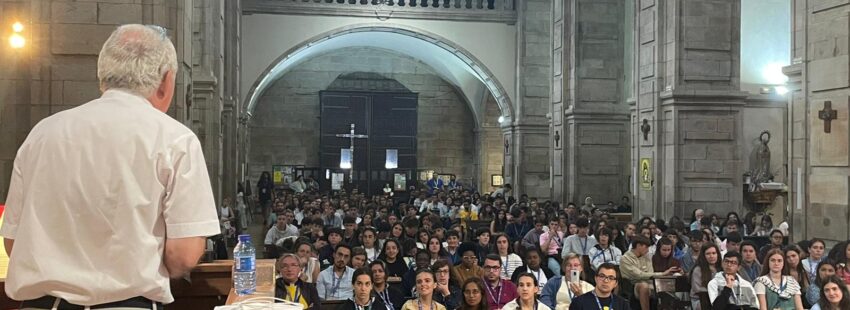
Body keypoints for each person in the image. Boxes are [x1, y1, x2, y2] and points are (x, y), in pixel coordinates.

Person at [1, 24, 221, 309]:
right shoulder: (175, 139)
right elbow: (183, 256)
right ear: (166, 82)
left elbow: (12, 243)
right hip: (125, 305)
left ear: (102, 77)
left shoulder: (42, 133)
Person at [620, 235, 678, 310]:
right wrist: (662, 274)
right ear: (638, 246)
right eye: (646, 247)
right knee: (644, 286)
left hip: (649, 282)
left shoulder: (647, 257)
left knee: (666, 286)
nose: (648, 250)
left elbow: (650, 272)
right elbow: (638, 275)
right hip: (632, 285)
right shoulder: (625, 258)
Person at [690, 243, 722, 310]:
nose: (711, 256)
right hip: (700, 300)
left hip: (718, 298)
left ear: (718, 254)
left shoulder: (721, 269)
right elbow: (697, 289)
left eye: (714, 253)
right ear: (703, 256)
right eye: (708, 254)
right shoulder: (698, 270)